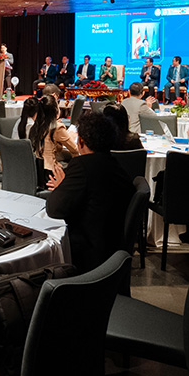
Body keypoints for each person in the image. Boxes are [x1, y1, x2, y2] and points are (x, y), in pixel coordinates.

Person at [45, 112, 134, 273]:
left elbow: (54, 209)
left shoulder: (82, 166)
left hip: (87, 253)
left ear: (81, 141)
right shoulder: (116, 166)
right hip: (113, 249)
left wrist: (62, 186)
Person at [30, 95, 79, 181]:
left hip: (36, 170)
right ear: (55, 110)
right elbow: (75, 150)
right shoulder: (57, 127)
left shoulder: (36, 125)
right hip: (50, 173)